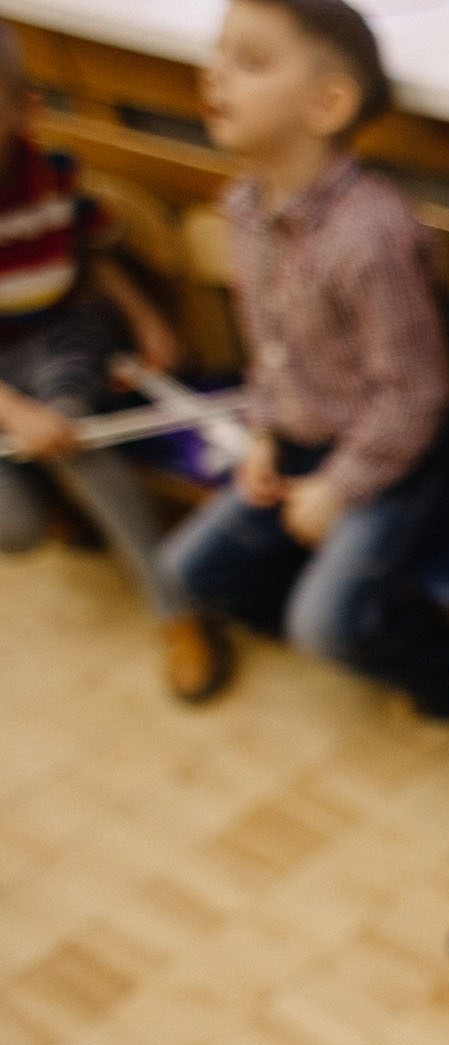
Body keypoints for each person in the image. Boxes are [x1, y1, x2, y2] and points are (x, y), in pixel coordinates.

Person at [162, 0, 449, 716]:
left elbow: (415, 398)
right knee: (188, 571)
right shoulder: (242, 208)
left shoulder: (370, 235)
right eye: (220, 53)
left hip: (401, 462)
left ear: (329, 103)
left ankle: (444, 679)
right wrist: (265, 431)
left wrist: (340, 487)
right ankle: (332, 592)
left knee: (322, 625)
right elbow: (269, 353)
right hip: (301, 446)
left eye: (251, 60)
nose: (215, 75)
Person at [0, 22, 229, 702]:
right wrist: (17, 416)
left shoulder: (54, 175)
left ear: (25, 111)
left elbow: (94, 257)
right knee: (16, 528)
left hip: (65, 331)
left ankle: (176, 608)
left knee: (76, 439)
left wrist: (147, 317)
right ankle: (54, 508)